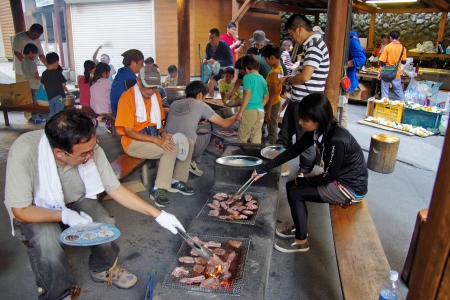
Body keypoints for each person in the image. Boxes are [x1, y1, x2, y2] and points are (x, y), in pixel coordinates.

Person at [4, 109, 185, 300]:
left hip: (77, 199)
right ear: (59, 152)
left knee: (105, 223)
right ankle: (59, 293)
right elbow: (21, 210)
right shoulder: (25, 151)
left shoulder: (89, 146)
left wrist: (158, 214)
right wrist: (63, 216)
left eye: (93, 148)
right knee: (47, 241)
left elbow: (114, 189)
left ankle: (102, 268)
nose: (91, 156)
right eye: (84, 154)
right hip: (36, 207)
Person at [252, 93, 368, 252]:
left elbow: (329, 177)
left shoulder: (336, 139)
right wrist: (264, 168)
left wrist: (302, 181)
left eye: (304, 120)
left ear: (318, 120)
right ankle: (299, 228)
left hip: (349, 188)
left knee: (295, 192)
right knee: (292, 186)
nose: (300, 123)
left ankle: (301, 241)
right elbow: (293, 150)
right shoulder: (319, 130)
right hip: (338, 180)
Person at [115, 66, 195, 207]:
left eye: (154, 87)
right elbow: (129, 132)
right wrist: (157, 140)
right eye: (148, 87)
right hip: (133, 142)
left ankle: (176, 181)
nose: (151, 91)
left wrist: (163, 134)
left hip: (152, 134)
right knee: (170, 149)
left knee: (187, 142)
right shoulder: (127, 98)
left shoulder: (155, 95)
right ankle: (158, 189)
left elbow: (158, 123)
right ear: (138, 81)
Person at [278, 14, 330, 177]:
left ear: (299, 29)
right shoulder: (310, 46)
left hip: (306, 104)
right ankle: (280, 165)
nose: (292, 38)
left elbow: (305, 77)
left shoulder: (314, 45)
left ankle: (304, 173)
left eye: (291, 34)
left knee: (304, 140)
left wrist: (286, 80)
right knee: (284, 136)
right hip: (297, 100)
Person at [165, 81, 237, 177]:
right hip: (184, 146)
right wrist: (237, 115)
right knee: (206, 133)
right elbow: (224, 123)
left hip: (167, 142)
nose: (204, 100)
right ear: (199, 95)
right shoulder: (201, 105)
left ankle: (182, 161)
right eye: (204, 97)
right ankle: (191, 161)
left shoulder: (174, 103)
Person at [12, 23, 48, 121]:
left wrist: (49, 67)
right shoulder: (19, 37)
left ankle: (37, 113)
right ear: (30, 30)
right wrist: (25, 64)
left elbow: (41, 55)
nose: (36, 37)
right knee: (25, 94)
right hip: (21, 71)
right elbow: (16, 52)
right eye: (35, 35)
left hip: (33, 70)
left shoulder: (36, 40)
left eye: (38, 36)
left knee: (35, 94)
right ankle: (29, 116)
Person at [235, 54, 268, 144]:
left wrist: (240, 112)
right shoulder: (262, 79)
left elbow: (247, 95)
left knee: (243, 137)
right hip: (260, 112)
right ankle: (254, 157)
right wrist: (260, 106)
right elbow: (266, 97)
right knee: (256, 138)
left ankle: (241, 157)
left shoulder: (247, 77)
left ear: (245, 68)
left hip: (249, 111)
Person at [110, 49, 145, 117]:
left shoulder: (121, 74)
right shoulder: (130, 80)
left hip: (117, 111)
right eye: (141, 63)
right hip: (124, 115)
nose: (143, 66)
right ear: (133, 63)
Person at [261, 43, 283, 144]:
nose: (266, 61)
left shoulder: (275, 72)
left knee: (272, 125)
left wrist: (268, 110)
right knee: (268, 121)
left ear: (272, 57)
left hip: (272, 102)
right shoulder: (278, 69)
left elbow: (273, 92)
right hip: (274, 101)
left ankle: (274, 146)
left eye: (266, 59)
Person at [343, 31, 367, 128]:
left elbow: (361, 58)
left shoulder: (351, 40)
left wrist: (344, 64)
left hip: (345, 80)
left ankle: (342, 138)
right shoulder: (348, 38)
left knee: (342, 109)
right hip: (346, 78)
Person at [204, 28, 234, 98]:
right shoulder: (208, 45)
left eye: (212, 38)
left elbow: (230, 61)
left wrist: (217, 62)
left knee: (224, 86)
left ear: (218, 37)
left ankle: (226, 102)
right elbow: (208, 55)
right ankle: (211, 102)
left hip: (227, 68)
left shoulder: (224, 46)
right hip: (216, 68)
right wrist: (206, 59)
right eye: (209, 38)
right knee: (210, 84)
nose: (210, 40)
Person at [378, 30, 407, 100]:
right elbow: (404, 62)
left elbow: (382, 62)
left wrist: (379, 73)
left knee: (385, 90)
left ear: (390, 38)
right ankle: (400, 106)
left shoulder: (387, 47)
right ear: (399, 37)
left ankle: (385, 105)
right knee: (398, 90)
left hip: (386, 71)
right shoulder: (403, 48)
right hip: (396, 72)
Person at [21, 43, 45, 124]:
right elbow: (34, 75)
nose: (35, 56)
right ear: (31, 52)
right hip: (34, 85)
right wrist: (42, 78)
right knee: (36, 103)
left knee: (32, 102)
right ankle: (36, 118)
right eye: (35, 54)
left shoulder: (22, 61)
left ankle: (36, 116)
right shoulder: (31, 63)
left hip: (27, 85)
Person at [41, 52, 67, 119]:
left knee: (52, 111)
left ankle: (50, 123)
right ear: (57, 62)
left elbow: (43, 87)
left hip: (50, 97)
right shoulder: (58, 73)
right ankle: (50, 123)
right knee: (59, 114)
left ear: (46, 62)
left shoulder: (44, 73)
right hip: (59, 96)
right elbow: (63, 84)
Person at [90, 62, 114, 133]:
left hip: (95, 107)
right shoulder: (108, 82)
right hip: (104, 108)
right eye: (108, 72)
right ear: (104, 74)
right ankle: (109, 124)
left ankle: (97, 119)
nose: (109, 74)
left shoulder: (93, 82)